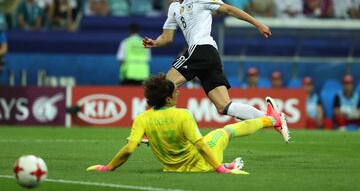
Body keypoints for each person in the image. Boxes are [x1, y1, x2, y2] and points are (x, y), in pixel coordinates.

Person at [142, 0, 289, 142]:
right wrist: (155, 42)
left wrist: (257, 23)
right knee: (224, 106)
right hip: (208, 57)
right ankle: (273, 118)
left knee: (164, 85)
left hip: (202, 49)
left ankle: (148, 131)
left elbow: (228, 9)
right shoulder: (173, 8)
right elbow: (167, 37)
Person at [87, 74, 288, 174]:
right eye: (175, 91)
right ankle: (273, 119)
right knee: (225, 131)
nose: (179, 92)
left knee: (208, 139)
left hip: (172, 169)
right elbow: (200, 145)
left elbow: (130, 148)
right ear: (167, 99)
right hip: (199, 164)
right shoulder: (183, 115)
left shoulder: (142, 118)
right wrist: (220, 169)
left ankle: (228, 163)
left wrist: (108, 168)